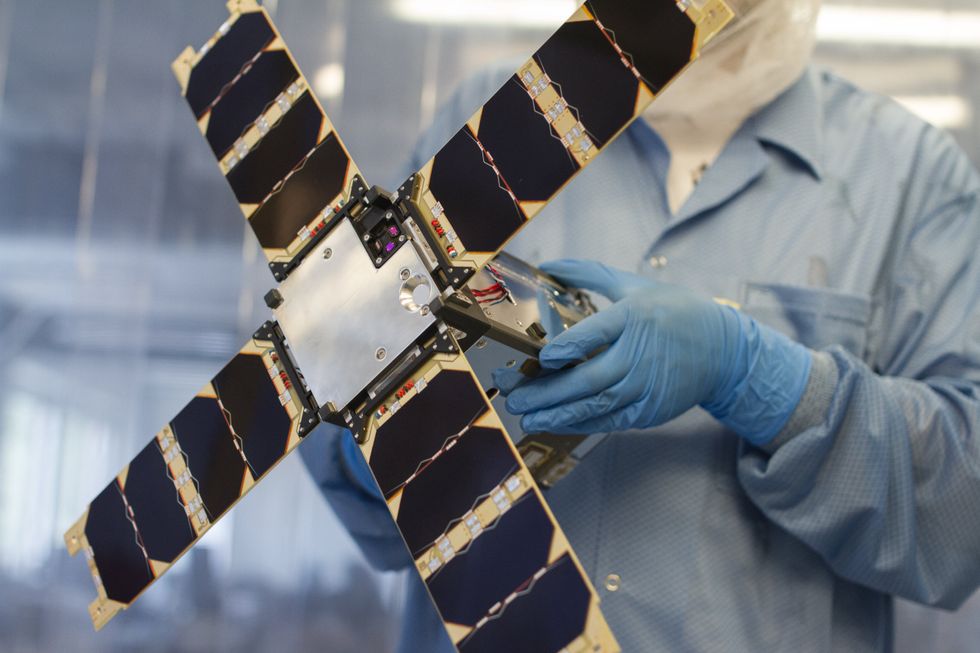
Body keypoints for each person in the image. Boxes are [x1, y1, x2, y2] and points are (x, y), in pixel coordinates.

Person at [301, 0, 980, 650]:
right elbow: (330, 418)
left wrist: (758, 376)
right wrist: (395, 428)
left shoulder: (911, 173)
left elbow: (963, 519)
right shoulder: (489, 122)